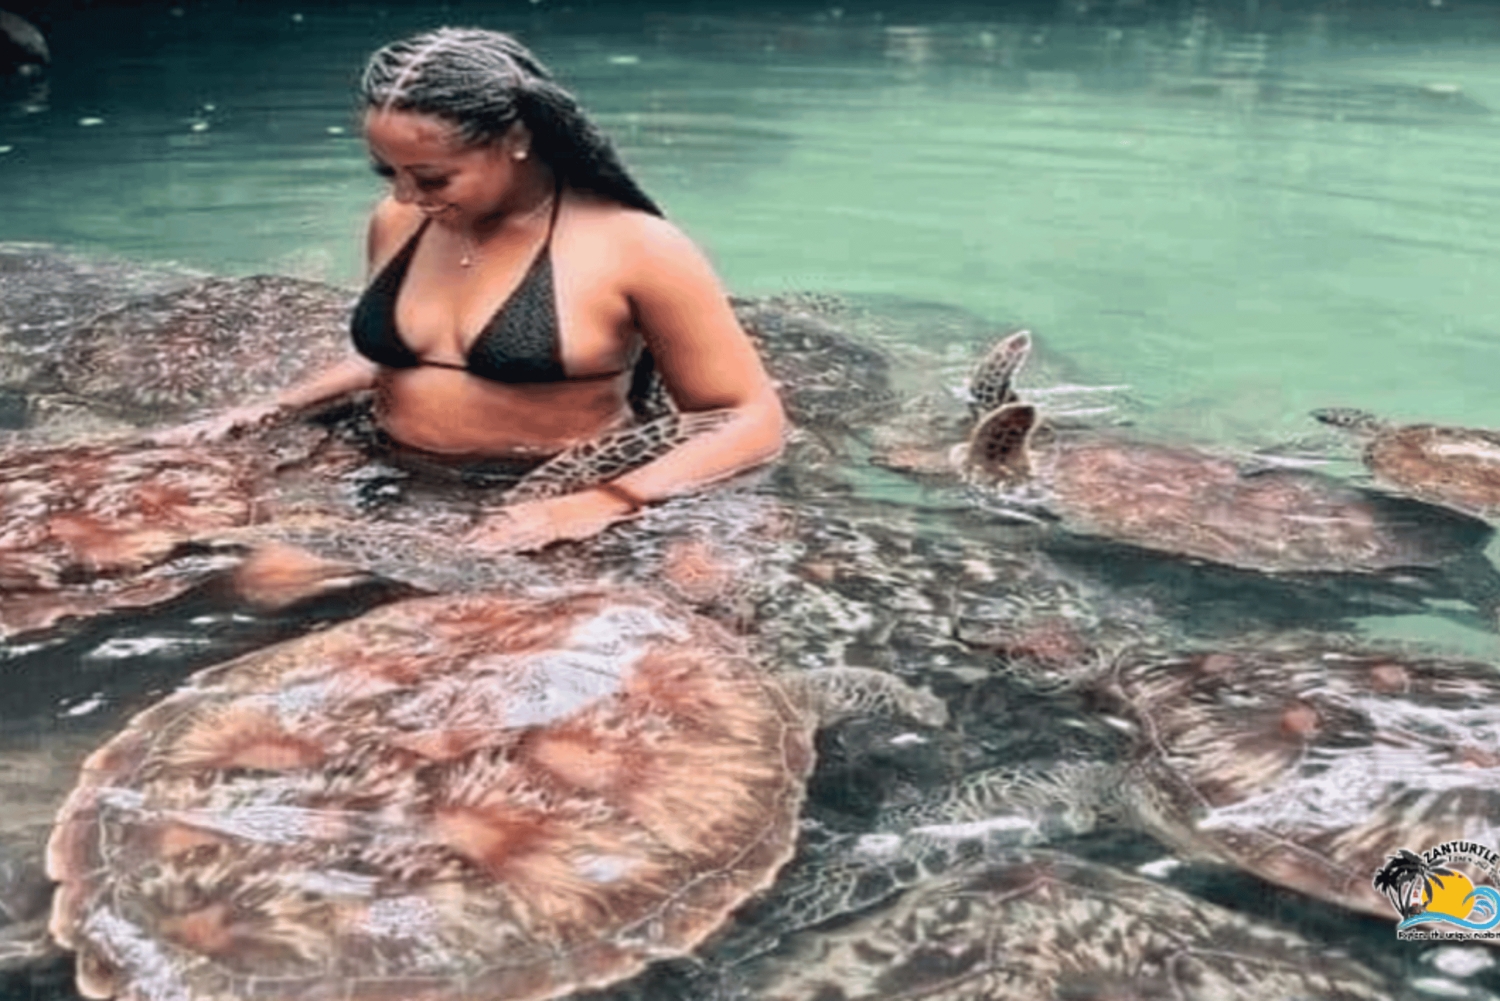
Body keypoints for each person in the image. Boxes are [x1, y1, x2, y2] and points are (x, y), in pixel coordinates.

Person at [178, 27, 785, 553]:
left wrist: (605, 501)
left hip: (548, 484)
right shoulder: (398, 221)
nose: (405, 196)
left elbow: (750, 418)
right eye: (387, 172)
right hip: (386, 468)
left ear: (516, 138)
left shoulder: (635, 246)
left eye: (432, 177)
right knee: (263, 580)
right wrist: (277, 405)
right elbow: (404, 358)